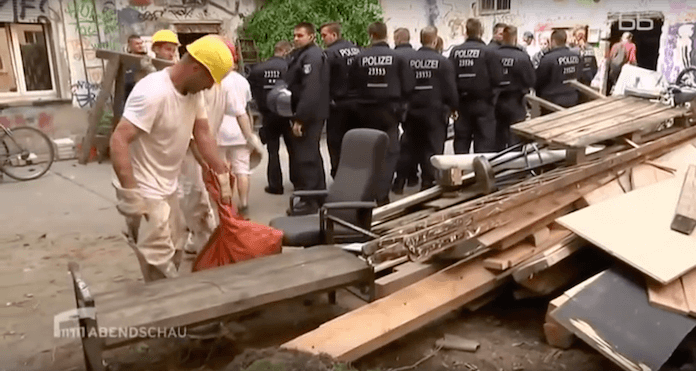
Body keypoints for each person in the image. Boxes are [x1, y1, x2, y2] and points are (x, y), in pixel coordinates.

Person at [110, 35, 234, 282]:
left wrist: (221, 171)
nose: (210, 88)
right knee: (157, 258)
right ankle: (163, 310)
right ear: (196, 67)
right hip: (144, 189)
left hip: (168, 184)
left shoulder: (193, 93)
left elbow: (202, 134)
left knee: (177, 245)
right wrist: (131, 194)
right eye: (210, 80)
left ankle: (169, 297)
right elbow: (118, 140)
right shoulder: (153, 92)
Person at [350, 21, 415, 205]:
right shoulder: (397, 58)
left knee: (370, 152)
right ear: (386, 35)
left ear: (371, 35)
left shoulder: (360, 58)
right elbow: (409, 86)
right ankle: (382, 193)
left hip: (365, 111)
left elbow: (352, 85)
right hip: (390, 111)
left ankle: (368, 192)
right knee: (390, 152)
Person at [400, 26, 458, 190]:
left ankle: (400, 182)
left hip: (412, 111)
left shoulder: (409, 61)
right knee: (433, 147)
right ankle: (428, 182)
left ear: (420, 40)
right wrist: (454, 107)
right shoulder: (443, 62)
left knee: (410, 146)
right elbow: (450, 88)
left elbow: (404, 85)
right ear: (434, 40)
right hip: (435, 112)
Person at [284, 22, 330, 215]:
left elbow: (310, 90)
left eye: (300, 35)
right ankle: (319, 195)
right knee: (311, 153)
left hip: (309, 114)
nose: (296, 39)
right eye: (294, 35)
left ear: (311, 37)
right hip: (308, 112)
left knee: (306, 156)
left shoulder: (312, 56)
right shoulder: (302, 55)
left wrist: (300, 118)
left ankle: (310, 200)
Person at [217, 57, 264, 217]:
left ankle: (227, 203)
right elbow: (247, 107)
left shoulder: (217, 80)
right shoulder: (242, 81)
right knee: (242, 169)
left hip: (221, 127)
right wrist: (249, 132)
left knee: (223, 168)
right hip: (241, 129)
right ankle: (244, 203)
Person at [449, 18, 503, 154]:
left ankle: (459, 173)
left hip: (462, 105)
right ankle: (480, 173)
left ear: (466, 32)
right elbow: (498, 79)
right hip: (484, 104)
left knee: (461, 141)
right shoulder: (489, 52)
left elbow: (450, 78)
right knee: (485, 143)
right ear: (481, 32)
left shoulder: (455, 52)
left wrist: (453, 104)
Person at [247, 40, 293, 195]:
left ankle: (275, 185)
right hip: (287, 115)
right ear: (285, 51)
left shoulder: (258, 69)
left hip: (268, 114)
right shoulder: (290, 67)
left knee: (273, 151)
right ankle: (297, 181)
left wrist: (261, 108)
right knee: (294, 149)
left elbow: (252, 92)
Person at [320, 22, 360, 178]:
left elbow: (324, 80)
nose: (322, 39)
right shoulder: (358, 50)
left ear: (334, 35)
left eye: (324, 35)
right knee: (356, 141)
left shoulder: (329, 54)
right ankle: (356, 174)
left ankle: (338, 175)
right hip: (358, 104)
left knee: (336, 142)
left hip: (338, 105)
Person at [495, 26, 535, 150]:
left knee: (497, 138)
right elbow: (531, 80)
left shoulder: (492, 55)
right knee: (516, 140)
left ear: (503, 37)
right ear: (515, 38)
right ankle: (514, 167)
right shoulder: (522, 57)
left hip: (496, 102)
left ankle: (497, 167)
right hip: (517, 102)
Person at [392, 27, 421, 194]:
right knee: (416, 142)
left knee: (405, 143)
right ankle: (412, 176)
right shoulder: (417, 56)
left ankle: (400, 180)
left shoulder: (393, 57)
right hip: (419, 104)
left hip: (400, 106)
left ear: (397, 39)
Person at [535, 29, 581, 113]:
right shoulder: (576, 56)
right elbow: (581, 75)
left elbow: (539, 80)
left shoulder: (548, 58)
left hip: (551, 101)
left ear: (552, 41)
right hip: (572, 98)